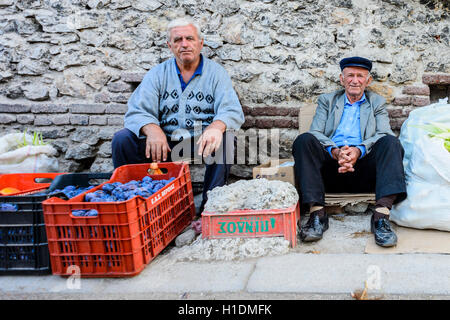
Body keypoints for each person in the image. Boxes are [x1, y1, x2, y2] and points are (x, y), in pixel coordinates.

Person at [112, 17, 245, 215]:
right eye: (178, 40)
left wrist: (216, 127)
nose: (184, 44)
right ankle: (135, 203)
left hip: (201, 142)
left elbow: (231, 109)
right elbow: (136, 110)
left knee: (226, 140)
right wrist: (152, 129)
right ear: (170, 45)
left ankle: (210, 209)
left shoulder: (216, 74)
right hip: (163, 143)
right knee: (122, 139)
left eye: (190, 39)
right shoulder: (158, 74)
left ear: (200, 43)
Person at [292, 56, 407, 247]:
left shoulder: (376, 102)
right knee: (304, 140)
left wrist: (358, 150)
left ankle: (381, 218)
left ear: (368, 81)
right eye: (350, 75)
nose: (355, 80)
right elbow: (316, 133)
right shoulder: (327, 101)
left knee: (391, 142)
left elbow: (383, 132)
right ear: (341, 79)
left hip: (365, 170)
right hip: (331, 169)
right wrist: (335, 152)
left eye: (360, 76)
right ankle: (317, 216)